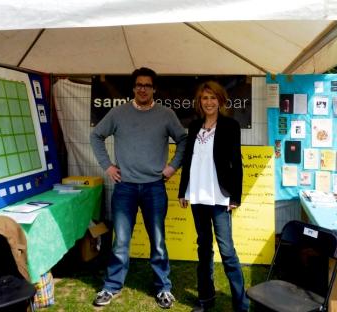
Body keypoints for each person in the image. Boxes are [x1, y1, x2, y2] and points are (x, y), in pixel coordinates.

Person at [90, 67, 187, 309]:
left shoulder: (166, 114)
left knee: (158, 240)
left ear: (154, 89)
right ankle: (111, 286)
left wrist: (173, 167)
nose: (143, 89)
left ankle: (163, 288)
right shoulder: (118, 113)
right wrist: (108, 166)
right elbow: (96, 136)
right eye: (139, 85)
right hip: (126, 188)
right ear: (133, 88)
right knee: (121, 240)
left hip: (154, 186)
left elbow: (183, 140)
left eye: (147, 85)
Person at [178, 81, 248, 312]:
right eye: (204, 98)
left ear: (221, 101)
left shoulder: (231, 125)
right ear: (199, 102)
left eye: (212, 98)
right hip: (197, 196)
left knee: (227, 251)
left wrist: (235, 196)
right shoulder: (194, 125)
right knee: (203, 249)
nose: (208, 102)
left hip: (219, 197)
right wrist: (183, 190)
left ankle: (241, 304)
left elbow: (236, 163)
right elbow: (189, 160)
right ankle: (205, 300)